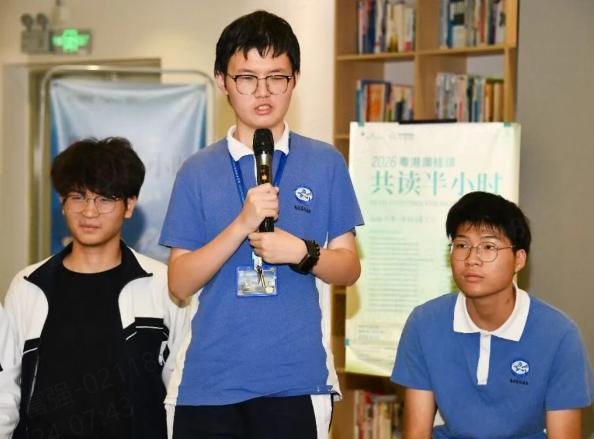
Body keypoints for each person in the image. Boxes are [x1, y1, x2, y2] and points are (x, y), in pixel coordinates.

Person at [159, 10, 363, 439]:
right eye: (247, 78)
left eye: (277, 77)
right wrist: (242, 224)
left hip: (297, 382)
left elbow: (349, 268)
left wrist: (303, 253)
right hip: (208, 386)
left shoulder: (325, 162)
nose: (263, 91)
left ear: (295, 79)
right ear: (222, 81)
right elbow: (179, 282)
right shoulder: (196, 171)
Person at [3, 137, 189, 439]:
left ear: (129, 205)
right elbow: (6, 391)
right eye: (78, 197)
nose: (89, 212)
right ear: (62, 203)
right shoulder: (28, 286)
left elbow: (180, 385)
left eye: (105, 199)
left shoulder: (163, 284)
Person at [391, 191, 594, 438]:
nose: (472, 259)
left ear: (519, 259)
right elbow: (416, 433)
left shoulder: (559, 336)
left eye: (488, 247)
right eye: (462, 245)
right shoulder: (424, 324)